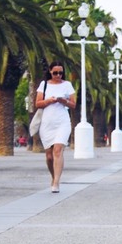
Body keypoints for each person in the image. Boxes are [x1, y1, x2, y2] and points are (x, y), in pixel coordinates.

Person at [36, 62, 76, 193]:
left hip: (62, 122)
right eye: (55, 72)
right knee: (49, 156)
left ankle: (56, 182)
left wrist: (64, 101)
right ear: (50, 71)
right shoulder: (44, 85)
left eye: (60, 72)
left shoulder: (67, 85)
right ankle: (53, 177)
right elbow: (37, 103)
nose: (58, 75)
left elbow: (73, 104)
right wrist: (49, 101)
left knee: (58, 150)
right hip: (47, 124)